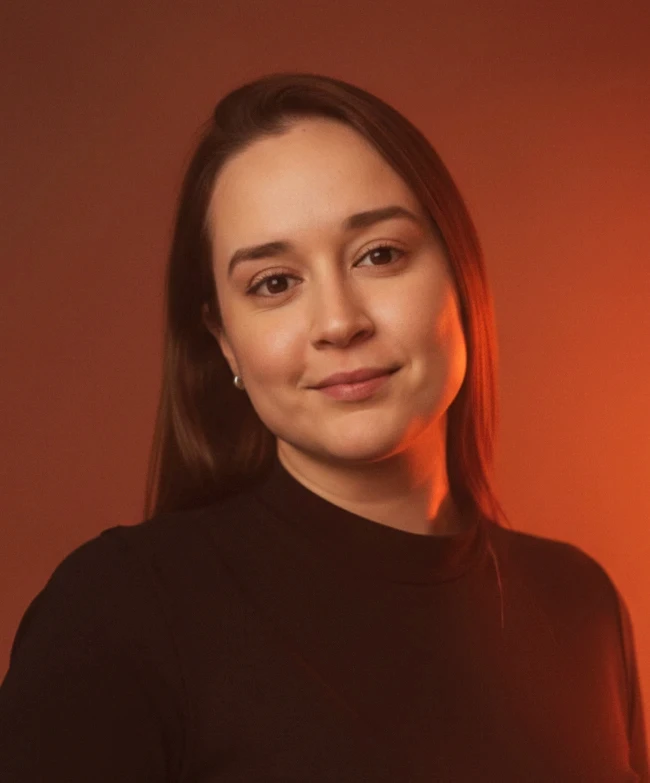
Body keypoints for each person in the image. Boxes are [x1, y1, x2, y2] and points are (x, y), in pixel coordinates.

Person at [0, 72, 647, 782]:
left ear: (460, 273)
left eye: (380, 255)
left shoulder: (581, 605)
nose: (340, 322)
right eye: (274, 283)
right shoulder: (119, 611)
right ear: (224, 342)